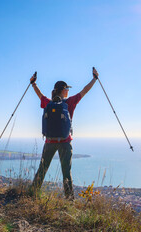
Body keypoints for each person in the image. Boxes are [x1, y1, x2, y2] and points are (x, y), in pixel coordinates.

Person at [29, 68, 99, 199]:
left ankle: (32, 193)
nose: (68, 91)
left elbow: (39, 94)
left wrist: (33, 83)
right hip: (65, 143)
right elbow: (84, 91)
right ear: (63, 90)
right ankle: (69, 199)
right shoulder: (70, 102)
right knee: (66, 172)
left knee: (42, 169)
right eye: (67, 89)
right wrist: (95, 78)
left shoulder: (48, 103)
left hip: (49, 142)